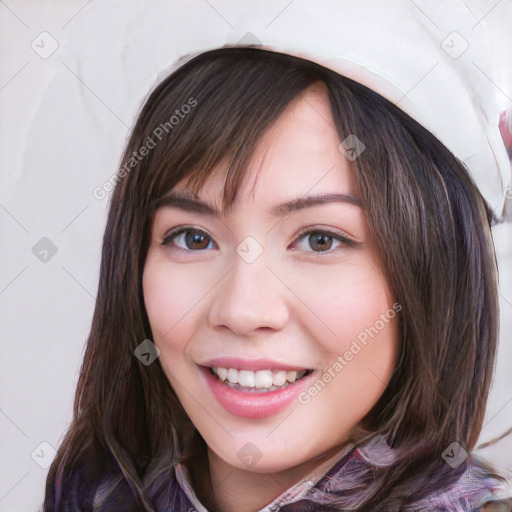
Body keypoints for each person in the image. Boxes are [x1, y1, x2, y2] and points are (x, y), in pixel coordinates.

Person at [41, 43, 511, 511]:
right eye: (194, 238)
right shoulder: (89, 495)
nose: (242, 311)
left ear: (435, 273)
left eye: (319, 240)